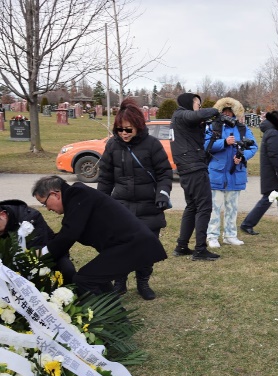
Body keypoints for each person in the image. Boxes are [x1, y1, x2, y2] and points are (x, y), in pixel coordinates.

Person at [31, 176, 167, 296]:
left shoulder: (78, 194)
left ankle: (111, 319)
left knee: (84, 279)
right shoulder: (76, 199)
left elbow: (69, 235)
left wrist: (42, 254)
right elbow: (66, 232)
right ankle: (116, 318)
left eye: (44, 203)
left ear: (55, 194)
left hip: (132, 245)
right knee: (96, 277)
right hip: (124, 245)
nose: (48, 208)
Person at [97, 98, 173, 300]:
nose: (124, 134)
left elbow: (164, 173)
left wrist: (162, 195)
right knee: (119, 248)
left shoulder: (152, 145)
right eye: (120, 129)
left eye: (128, 130)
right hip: (121, 206)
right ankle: (120, 282)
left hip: (149, 205)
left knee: (146, 249)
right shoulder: (112, 146)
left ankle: (143, 282)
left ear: (138, 127)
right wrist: (100, 203)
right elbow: (105, 178)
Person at [170, 93, 220, 261]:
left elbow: (197, 123)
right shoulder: (182, 114)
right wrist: (215, 111)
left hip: (187, 168)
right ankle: (200, 250)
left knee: (192, 207)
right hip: (194, 168)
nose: (199, 107)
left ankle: (181, 246)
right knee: (204, 207)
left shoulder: (181, 120)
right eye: (197, 103)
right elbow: (197, 115)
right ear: (189, 103)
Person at [204, 97, 258, 247]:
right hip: (217, 173)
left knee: (232, 208)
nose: (227, 114)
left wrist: (242, 157)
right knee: (214, 208)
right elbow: (205, 145)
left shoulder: (242, 128)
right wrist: (224, 142)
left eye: (230, 111)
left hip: (235, 173)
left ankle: (230, 235)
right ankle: (212, 236)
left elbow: (253, 146)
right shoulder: (213, 127)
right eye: (225, 111)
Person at [240, 111, 278, 235]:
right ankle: (247, 224)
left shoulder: (272, 132)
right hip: (273, 175)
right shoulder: (273, 134)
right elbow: (274, 155)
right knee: (267, 200)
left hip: (273, 174)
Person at [0, 199, 76, 283]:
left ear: (3, 215)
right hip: (10, 262)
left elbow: (38, 250)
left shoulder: (30, 218)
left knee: (67, 270)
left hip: (45, 254)